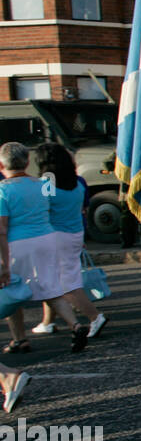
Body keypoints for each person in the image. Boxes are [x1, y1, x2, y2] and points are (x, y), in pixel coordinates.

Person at [0, 142, 88, 354]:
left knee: (12, 290)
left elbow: (2, 229)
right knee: (51, 287)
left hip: (17, 242)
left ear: (1, 165)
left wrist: (3, 263)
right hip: (46, 238)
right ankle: (74, 324)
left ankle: (20, 339)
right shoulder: (43, 184)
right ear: (27, 161)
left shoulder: (2, 190)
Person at [31, 143, 107, 339]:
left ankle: (95, 317)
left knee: (64, 285)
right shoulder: (78, 182)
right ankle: (47, 322)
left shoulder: (47, 181)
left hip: (54, 236)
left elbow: (43, 209)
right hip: (75, 234)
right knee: (58, 279)